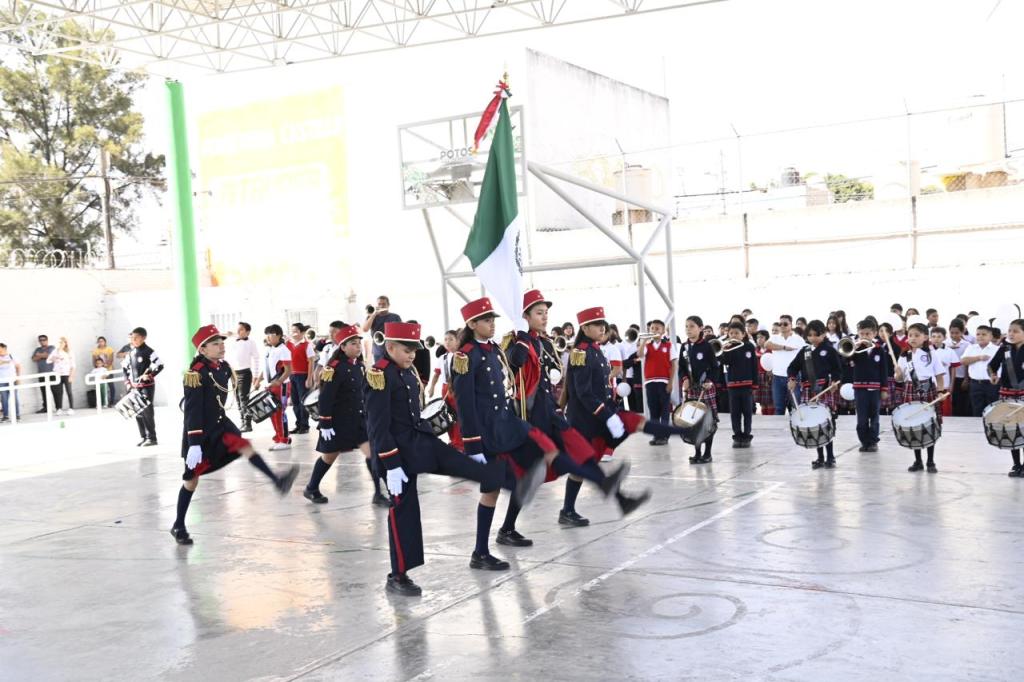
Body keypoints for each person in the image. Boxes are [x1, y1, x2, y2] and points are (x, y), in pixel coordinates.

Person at [365, 321, 538, 597]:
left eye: (414, 350)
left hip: (418, 441)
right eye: (406, 350)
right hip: (396, 453)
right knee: (404, 513)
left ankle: (507, 481)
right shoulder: (380, 375)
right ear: (390, 347)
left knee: (461, 462)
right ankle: (398, 575)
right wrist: (391, 464)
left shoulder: (407, 372)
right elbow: (377, 427)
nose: (412, 355)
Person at [453, 297, 619, 569]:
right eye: (486, 320)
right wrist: (472, 445)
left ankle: (502, 533)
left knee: (528, 474)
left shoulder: (504, 347)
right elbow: (470, 403)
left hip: (517, 423)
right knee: (499, 486)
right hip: (500, 428)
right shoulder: (471, 354)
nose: (492, 324)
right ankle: (482, 550)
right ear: (472, 324)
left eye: (493, 319)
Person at [506, 291, 652, 531]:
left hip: (551, 413)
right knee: (530, 474)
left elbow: (556, 379)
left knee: (582, 453)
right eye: (539, 313)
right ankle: (508, 527)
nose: (545, 318)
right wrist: (520, 333)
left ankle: (602, 499)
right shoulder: (517, 340)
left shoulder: (542, 341)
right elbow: (516, 361)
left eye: (546, 313)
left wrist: (559, 408)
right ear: (525, 316)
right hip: (533, 417)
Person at [171, 325, 300, 545]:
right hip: (202, 432)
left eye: (221, 342)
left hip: (221, 425)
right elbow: (192, 411)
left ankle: (276, 480)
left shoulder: (222, 367)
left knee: (245, 446)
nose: (221, 346)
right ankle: (178, 525)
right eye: (215, 343)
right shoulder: (195, 374)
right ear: (202, 349)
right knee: (191, 480)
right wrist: (194, 443)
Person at [303, 325, 389, 506]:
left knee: (372, 454)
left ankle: (378, 493)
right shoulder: (334, 368)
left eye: (359, 343)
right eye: (353, 344)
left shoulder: (359, 366)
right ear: (343, 347)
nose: (358, 347)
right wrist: (325, 423)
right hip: (337, 423)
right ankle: (311, 488)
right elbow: (326, 398)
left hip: (357, 421)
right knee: (329, 457)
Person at [787, 320, 842, 469]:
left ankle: (830, 457)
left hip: (824, 390)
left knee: (826, 423)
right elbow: (792, 367)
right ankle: (820, 457)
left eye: (816, 335)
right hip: (808, 390)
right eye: (809, 335)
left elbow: (837, 369)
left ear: (823, 334)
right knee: (814, 423)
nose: (813, 338)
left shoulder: (829, 350)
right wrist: (792, 379)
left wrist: (835, 382)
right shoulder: (804, 351)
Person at [894, 322, 947, 473]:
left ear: (925, 337)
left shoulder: (931, 354)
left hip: (928, 389)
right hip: (910, 389)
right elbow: (899, 379)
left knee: (929, 425)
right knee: (914, 426)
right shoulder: (904, 356)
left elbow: (939, 374)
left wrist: (941, 391)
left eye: (917, 335)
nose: (913, 338)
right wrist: (897, 373)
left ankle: (931, 461)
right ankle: (918, 461)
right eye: (910, 335)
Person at [679, 315, 720, 464]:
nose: (688, 329)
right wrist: (684, 379)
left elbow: (715, 367)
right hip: (692, 389)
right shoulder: (684, 346)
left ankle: (707, 454)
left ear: (700, 328)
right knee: (694, 421)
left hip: (705, 388)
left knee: (708, 422)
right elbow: (681, 368)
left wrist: (710, 381)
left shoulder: (707, 346)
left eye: (692, 326)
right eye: (686, 326)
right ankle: (697, 453)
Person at [987, 319, 1024, 476]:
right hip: (1007, 393)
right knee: (1012, 429)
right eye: (1009, 331)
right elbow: (991, 366)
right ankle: (1016, 464)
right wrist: (993, 375)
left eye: (1015, 331)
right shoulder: (1004, 349)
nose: (1011, 334)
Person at [850, 319, 891, 453]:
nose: (865, 336)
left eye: (868, 334)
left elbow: (884, 371)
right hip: (859, 388)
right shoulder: (855, 349)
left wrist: (884, 389)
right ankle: (864, 441)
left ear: (874, 334)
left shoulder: (879, 350)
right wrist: (853, 350)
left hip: (875, 389)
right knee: (861, 418)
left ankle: (873, 441)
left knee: (874, 416)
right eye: (862, 334)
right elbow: (845, 361)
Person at [637, 319, 677, 446]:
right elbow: (640, 354)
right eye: (652, 328)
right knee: (653, 411)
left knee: (665, 410)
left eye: (657, 328)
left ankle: (664, 436)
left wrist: (671, 383)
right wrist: (643, 341)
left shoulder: (669, 345)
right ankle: (656, 435)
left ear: (663, 331)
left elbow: (674, 364)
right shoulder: (648, 346)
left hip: (664, 381)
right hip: (650, 382)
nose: (654, 331)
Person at [253, 324, 292, 450]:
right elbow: (266, 369)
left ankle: (284, 440)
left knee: (280, 412)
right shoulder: (269, 350)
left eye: (271, 334)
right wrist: (258, 380)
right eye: (267, 334)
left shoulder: (283, 350)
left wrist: (279, 381)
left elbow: (288, 370)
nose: (268, 337)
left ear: (279, 335)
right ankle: (279, 437)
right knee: (272, 412)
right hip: (269, 385)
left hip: (281, 386)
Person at [719, 322, 757, 447]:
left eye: (736, 333)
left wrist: (755, 384)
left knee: (747, 411)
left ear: (743, 334)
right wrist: (724, 351)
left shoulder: (749, 347)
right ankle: (737, 435)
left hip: (747, 385)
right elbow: (724, 362)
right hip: (732, 385)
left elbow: (754, 366)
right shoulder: (727, 347)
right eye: (731, 333)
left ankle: (746, 435)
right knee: (734, 412)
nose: (734, 335)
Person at [122, 328, 163, 445]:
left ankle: (152, 438)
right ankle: (144, 437)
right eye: (132, 338)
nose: (133, 340)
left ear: (143, 338)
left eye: (136, 338)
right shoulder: (131, 352)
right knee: (137, 412)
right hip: (134, 387)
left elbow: (160, 365)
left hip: (147, 386)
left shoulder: (149, 351)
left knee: (147, 411)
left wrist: (150, 375)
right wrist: (127, 383)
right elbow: (124, 368)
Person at [227, 322, 261, 432]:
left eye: (241, 329)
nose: (238, 331)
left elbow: (256, 359)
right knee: (237, 399)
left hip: (245, 373)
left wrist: (256, 376)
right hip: (234, 373)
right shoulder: (233, 341)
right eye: (238, 329)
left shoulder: (251, 343)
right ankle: (242, 422)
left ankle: (248, 423)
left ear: (247, 332)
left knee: (244, 399)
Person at [767, 315, 803, 414]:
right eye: (780, 324)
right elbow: (767, 345)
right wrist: (784, 347)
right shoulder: (774, 337)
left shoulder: (798, 339)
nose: (782, 326)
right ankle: (778, 429)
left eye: (785, 324)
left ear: (791, 325)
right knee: (779, 408)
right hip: (777, 377)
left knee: (796, 407)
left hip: (793, 377)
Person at [961, 325, 999, 416]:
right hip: (975, 384)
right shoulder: (971, 347)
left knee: (992, 408)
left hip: (991, 384)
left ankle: (991, 428)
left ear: (990, 336)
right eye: (978, 334)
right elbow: (963, 361)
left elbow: (1001, 366)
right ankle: (978, 429)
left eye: (983, 334)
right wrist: (979, 358)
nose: (980, 336)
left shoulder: (996, 349)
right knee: (976, 408)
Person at [287, 322, 316, 435]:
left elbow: (311, 362)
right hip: (291, 376)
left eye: (296, 331)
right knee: (295, 402)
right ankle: (298, 424)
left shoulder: (307, 345)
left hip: (302, 376)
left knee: (302, 402)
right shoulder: (287, 344)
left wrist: (309, 378)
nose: (293, 333)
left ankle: (304, 425)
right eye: (292, 330)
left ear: (302, 332)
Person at [362, 296, 402, 362]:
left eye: (383, 304)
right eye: (379, 304)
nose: (381, 306)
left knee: (392, 371)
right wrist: (374, 315)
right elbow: (365, 329)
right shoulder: (371, 316)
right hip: (378, 351)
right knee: (380, 371)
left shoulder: (395, 317)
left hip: (393, 350)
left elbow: (401, 332)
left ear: (388, 305)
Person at [946, 320, 971, 417]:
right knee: (951, 401)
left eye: (957, 333)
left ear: (962, 332)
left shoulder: (967, 345)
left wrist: (966, 378)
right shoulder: (946, 343)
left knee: (961, 401)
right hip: (948, 377)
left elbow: (967, 363)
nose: (954, 335)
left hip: (961, 376)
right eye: (952, 333)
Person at [48, 337, 76, 415]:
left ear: (66, 343)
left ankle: (71, 408)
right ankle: (59, 408)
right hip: (57, 374)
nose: (61, 344)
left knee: (69, 391)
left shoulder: (70, 352)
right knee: (58, 392)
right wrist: (54, 358)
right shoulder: (55, 351)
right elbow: (48, 360)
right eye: (60, 342)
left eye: (63, 342)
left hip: (67, 374)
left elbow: (73, 365)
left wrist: (71, 376)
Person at [31, 334, 55, 413]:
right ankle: (46, 408)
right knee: (44, 391)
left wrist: (40, 355)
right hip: (41, 373)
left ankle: (58, 407)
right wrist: (43, 356)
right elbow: (34, 358)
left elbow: (50, 356)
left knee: (54, 390)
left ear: (47, 340)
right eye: (40, 340)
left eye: (44, 339)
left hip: (51, 373)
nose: (42, 341)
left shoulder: (51, 348)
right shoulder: (37, 349)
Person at [91, 336, 116, 407]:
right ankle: (101, 403)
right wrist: (99, 368)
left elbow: (111, 360)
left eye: (102, 341)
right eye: (99, 341)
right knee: (101, 388)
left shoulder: (109, 349)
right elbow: (94, 361)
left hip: (109, 370)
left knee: (111, 386)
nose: (101, 342)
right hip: (100, 373)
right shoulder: (95, 351)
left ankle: (111, 402)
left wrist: (103, 367)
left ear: (105, 342)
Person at [0, 343, 22, 422]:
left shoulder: (12, 356)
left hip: (12, 380)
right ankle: (5, 416)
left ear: (4, 348)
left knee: (15, 398)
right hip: (1, 381)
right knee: (4, 399)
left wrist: (18, 378)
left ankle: (17, 415)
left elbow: (18, 367)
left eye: (0, 350)